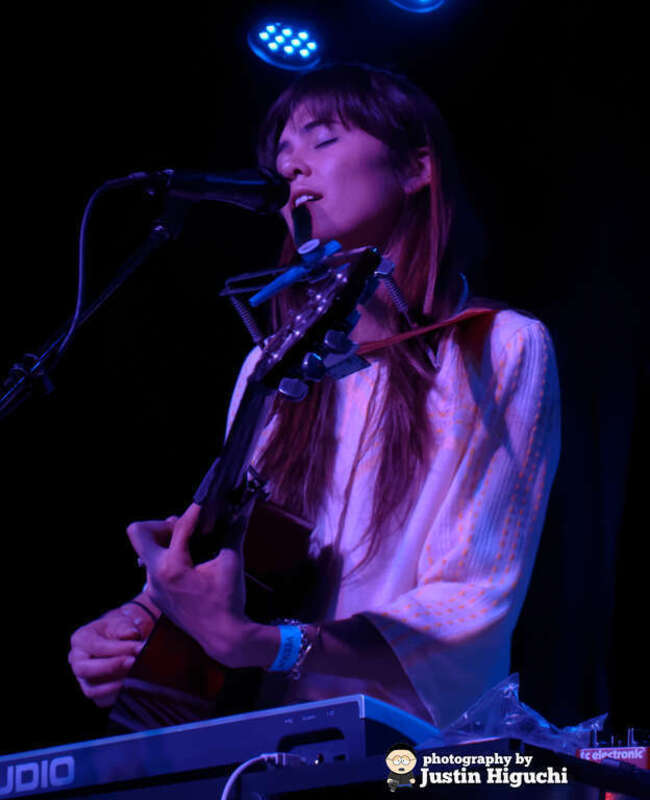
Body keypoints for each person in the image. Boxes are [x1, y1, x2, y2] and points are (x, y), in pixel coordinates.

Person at [68, 63, 561, 729]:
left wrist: (275, 647)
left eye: (322, 140)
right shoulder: (267, 369)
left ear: (417, 167)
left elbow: (472, 598)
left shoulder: (501, 349)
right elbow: (258, 564)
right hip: (260, 744)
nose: (292, 168)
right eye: (283, 154)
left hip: (412, 747)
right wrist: (147, 622)